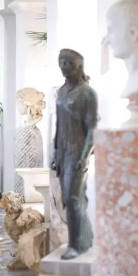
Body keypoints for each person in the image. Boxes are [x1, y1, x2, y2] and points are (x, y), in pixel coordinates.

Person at [51, 49, 97, 260]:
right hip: (63, 151)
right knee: (69, 199)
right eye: (61, 62)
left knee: (73, 198)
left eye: (67, 63)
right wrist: (55, 152)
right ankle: (84, 239)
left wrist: (85, 155)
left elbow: (92, 128)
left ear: (78, 65)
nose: (63, 66)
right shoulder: (61, 92)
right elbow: (58, 125)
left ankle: (76, 245)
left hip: (77, 152)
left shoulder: (87, 93)